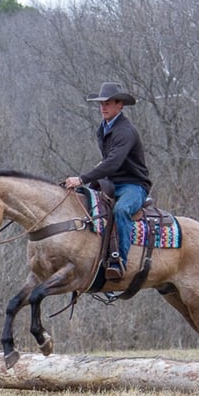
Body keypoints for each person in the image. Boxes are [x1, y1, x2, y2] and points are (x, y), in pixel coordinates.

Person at [65, 82, 152, 280]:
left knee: (121, 210)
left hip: (134, 185)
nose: (103, 107)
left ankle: (120, 260)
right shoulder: (104, 128)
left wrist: (82, 178)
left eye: (108, 103)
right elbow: (109, 161)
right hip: (112, 182)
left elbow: (113, 162)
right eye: (101, 103)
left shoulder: (125, 131)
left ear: (120, 105)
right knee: (87, 204)